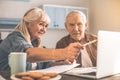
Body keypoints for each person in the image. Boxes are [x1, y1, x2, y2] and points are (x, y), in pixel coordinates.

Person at [0, 8, 82, 71]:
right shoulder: (14, 38)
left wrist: (62, 64)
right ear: (28, 23)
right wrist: (65, 52)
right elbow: (29, 54)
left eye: (46, 26)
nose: (44, 29)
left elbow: (44, 65)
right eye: (41, 24)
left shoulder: (34, 42)